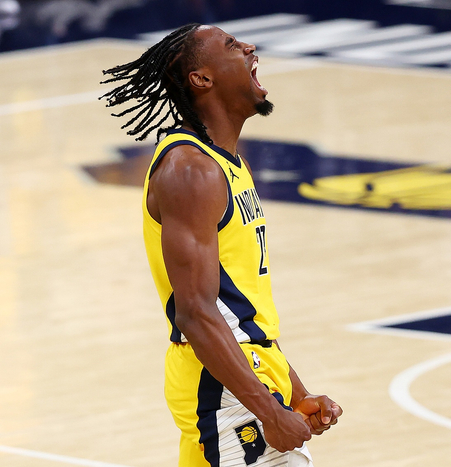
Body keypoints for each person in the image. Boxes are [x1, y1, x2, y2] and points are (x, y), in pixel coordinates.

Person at [100, 23, 342, 467]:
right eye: (232, 45)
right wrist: (269, 411)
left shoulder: (225, 164)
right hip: (224, 388)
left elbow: (240, 307)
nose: (249, 46)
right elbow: (196, 312)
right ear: (202, 78)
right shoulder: (191, 171)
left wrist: (295, 391)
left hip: (241, 375)